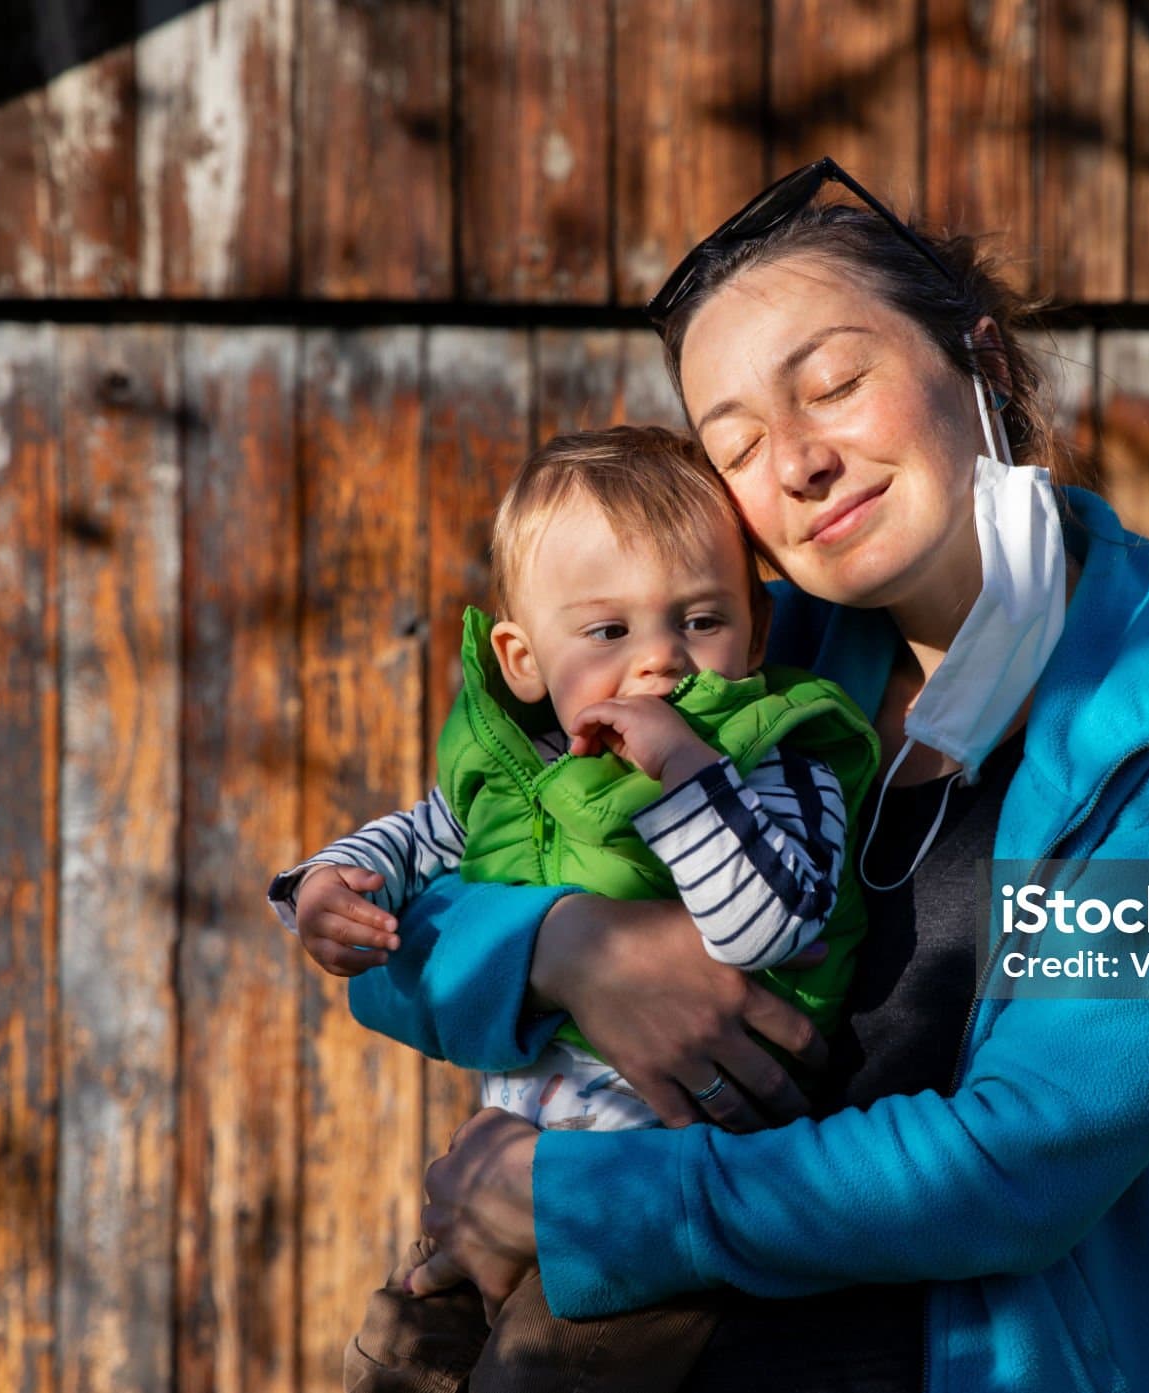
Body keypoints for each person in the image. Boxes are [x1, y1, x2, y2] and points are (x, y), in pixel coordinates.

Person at [304, 158, 1149, 1392]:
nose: (794, 462)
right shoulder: (732, 654)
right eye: (733, 444)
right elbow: (400, 946)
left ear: (983, 364)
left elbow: (1022, 1168)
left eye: (834, 386)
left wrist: (575, 1199)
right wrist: (569, 946)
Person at [268, 425, 879, 1390]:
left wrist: (686, 770)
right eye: (608, 631)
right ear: (521, 658)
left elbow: (773, 924)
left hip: (663, 1190)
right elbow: (422, 841)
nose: (659, 664)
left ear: (757, 630)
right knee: (394, 1352)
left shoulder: (776, 761)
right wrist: (326, 886)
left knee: (541, 1375)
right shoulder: (522, 771)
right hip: (507, 1168)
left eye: (701, 620)